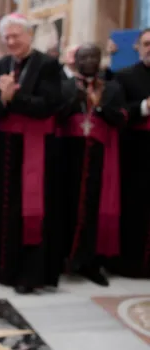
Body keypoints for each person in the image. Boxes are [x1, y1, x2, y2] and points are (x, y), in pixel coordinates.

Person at [0, 13, 63, 294]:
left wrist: (15, 98)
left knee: (30, 209)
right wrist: (2, 100)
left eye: (16, 36)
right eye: (7, 37)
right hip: (4, 148)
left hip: (36, 148)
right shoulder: (0, 65)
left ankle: (28, 274)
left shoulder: (47, 64)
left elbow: (50, 104)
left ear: (29, 35)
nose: (11, 42)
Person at [57, 44, 126, 286]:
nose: (89, 61)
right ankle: (63, 258)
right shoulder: (65, 86)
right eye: (83, 56)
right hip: (68, 159)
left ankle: (91, 263)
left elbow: (121, 118)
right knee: (66, 206)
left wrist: (98, 106)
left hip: (100, 160)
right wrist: (71, 102)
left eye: (94, 56)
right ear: (75, 60)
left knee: (94, 210)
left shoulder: (112, 87)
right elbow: (55, 116)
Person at [114, 28, 150, 278]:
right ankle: (133, 264)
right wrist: (145, 106)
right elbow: (119, 112)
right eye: (147, 44)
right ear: (138, 47)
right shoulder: (125, 76)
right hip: (137, 153)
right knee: (137, 209)